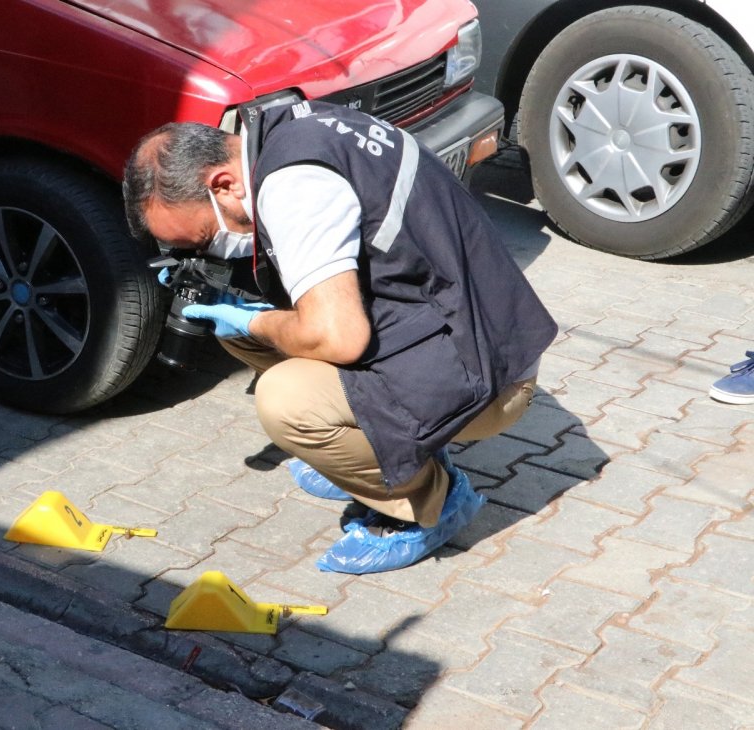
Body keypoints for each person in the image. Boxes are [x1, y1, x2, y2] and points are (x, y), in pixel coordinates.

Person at [122, 100, 557, 573]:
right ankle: (378, 446)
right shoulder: (289, 129)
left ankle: (427, 500)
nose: (206, 250)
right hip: (465, 330)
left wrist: (253, 319)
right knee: (245, 336)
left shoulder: (294, 186)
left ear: (223, 185)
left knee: (285, 401)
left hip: (487, 378)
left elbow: (339, 337)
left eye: (203, 238)